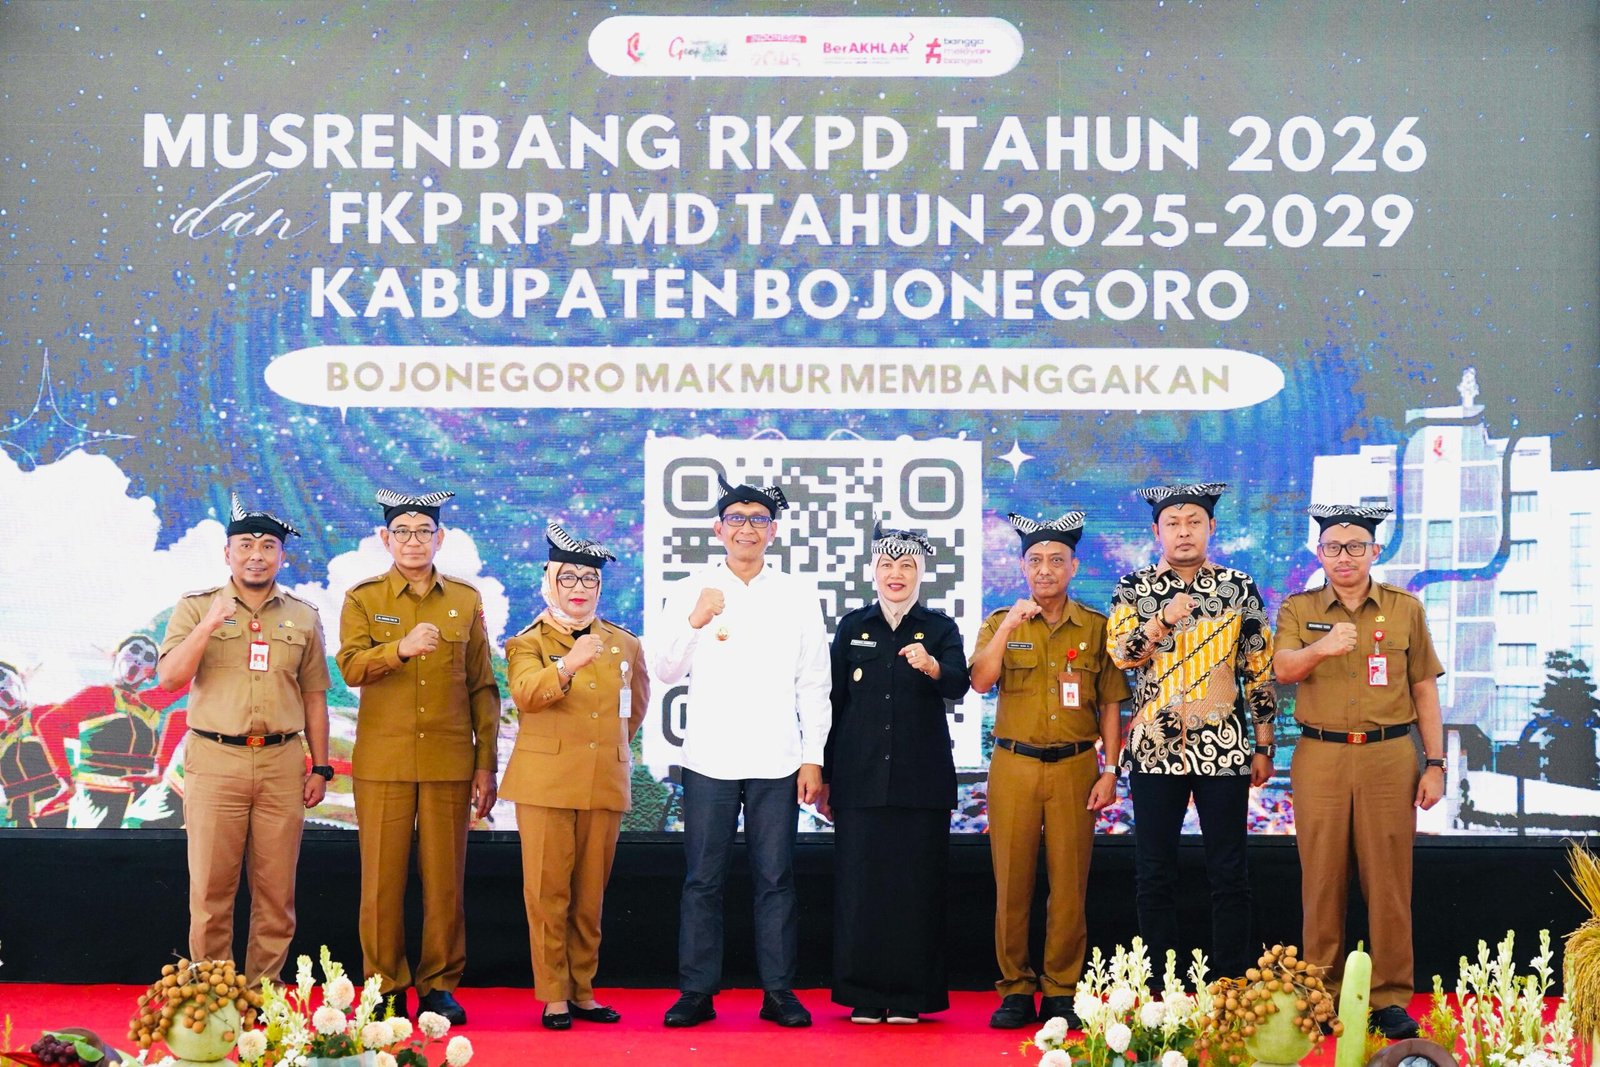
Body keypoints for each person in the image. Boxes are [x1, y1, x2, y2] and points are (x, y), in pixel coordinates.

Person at [652, 475, 830, 1029]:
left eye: (757, 520)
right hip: (710, 757)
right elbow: (664, 669)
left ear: (772, 531)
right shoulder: (692, 588)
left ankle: (778, 992)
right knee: (702, 879)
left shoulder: (797, 593)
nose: (746, 529)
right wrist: (695, 620)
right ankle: (696, 992)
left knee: (775, 878)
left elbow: (814, 682)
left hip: (778, 758)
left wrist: (813, 756)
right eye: (736, 519)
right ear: (718, 529)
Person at [1274, 503, 1445, 1040]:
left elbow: (1424, 689)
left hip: (1388, 756)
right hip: (1320, 755)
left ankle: (1389, 997)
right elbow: (1282, 669)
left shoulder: (1404, 608)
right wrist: (1323, 647)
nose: (1343, 557)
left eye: (1354, 547)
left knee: (1389, 882)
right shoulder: (1298, 608)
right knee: (1321, 881)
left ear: (1375, 551)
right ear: (1319, 553)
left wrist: (1436, 763)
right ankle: (1320, 996)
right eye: (1332, 547)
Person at [336, 488, 501, 1025]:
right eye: (402, 532)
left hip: (449, 761)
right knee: (381, 883)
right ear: (385, 538)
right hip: (384, 761)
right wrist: (399, 650)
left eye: (423, 531)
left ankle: (439, 986)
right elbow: (350, 667)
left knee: (445, 881)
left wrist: (485, 763)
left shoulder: (465, 600)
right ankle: (384, 987)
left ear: (440, 537)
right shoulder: (363, 598)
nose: (413, 541)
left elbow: (482, 687)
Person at [156, 492, 332, 984]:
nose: (257, 555)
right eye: (246, 546)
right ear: (227, 553)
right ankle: (215, 996)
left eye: (268, 546)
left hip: (280, 762)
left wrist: (320, 766)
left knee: (276, 893)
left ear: (282, 556)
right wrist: (210, 624)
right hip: (216, 760)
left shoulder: (303, 615)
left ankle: (264, 992)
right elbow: (169, 679)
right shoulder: (195, 607)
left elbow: (314, 696)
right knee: (211, 891)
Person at [1106, 483, 1276, 981]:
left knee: (1229, 871)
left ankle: (1230, 982)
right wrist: (1161, 619)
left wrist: (1264, 745)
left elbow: (1259, 669)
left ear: (1211, 528)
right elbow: (1122, 656)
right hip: (1153, 750)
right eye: (1173, 524)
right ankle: (1163, 989)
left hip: (1224, 748)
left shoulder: (1238, 587)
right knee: (1154, 871)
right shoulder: (1132, 588)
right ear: (1156, 531)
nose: (1184, 532)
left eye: (1194, 522)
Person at [971, 512, 1130, 1030]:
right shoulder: (1002, 620)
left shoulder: (1096, 627)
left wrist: (1111, 770)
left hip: (1075, 767)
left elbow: (1110, 704)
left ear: (1073, 566)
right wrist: (1008, 629)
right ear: (1022, 566)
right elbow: (980, 681)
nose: (1045, 569)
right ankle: (1015, 987)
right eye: (1035, 560)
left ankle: (1061, 988)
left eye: (1056, 560)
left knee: (1069, 884)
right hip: (1014, 764)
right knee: (1012, 882)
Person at [820, 522, 970, 1025]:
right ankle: (863, 993)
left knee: (916, 891)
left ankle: (910, 996)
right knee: (859, 889)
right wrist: (825, 774)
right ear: (874, 572)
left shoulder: (940, 628)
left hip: (920, 783)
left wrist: (932, 666)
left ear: (921, 573)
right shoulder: (853, 626)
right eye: (887, 565)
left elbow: (960, 683)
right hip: (859, 780)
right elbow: (833, 702)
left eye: (906, 565)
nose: (896, 574)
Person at [502, 522, 649, 1030]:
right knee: (548, 895)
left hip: (602, 780)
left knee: (590, 896)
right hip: (545, 783)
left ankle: (583, 990)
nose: (579, 588)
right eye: (568, 578)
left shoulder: (624, 643)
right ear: (550, 582)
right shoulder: (526, 641)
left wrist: (605, 749)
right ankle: (554, 995)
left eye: (589, 579)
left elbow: (634, 709)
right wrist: (566, 665)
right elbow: (525, 695)